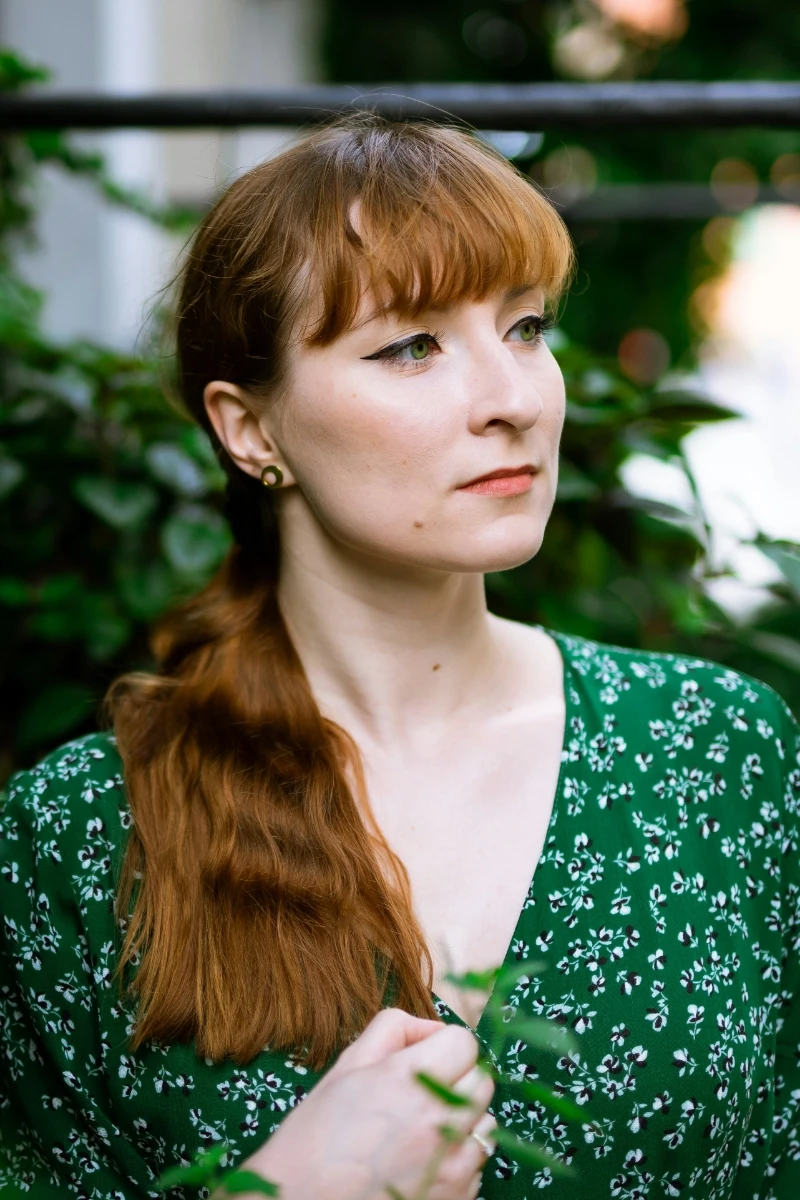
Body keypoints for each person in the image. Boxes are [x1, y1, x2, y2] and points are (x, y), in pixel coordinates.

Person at [1, 112, 799, 1200]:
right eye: (410, 346)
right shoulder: (82, 840)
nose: (514, 400)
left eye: (523, 328)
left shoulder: (716, 753)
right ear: (249, 429)